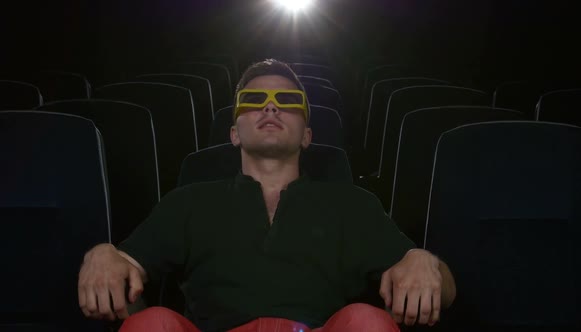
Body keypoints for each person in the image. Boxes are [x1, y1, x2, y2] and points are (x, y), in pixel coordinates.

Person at [78, 59, 456, 332]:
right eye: (254, 100)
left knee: (368, 321)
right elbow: (125, 270)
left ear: (307, 135)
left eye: (288, 102)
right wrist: (103, 255)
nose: (271, 106)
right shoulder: (187, 201)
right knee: (150, 324)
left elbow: (445, 290)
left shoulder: (354, 203)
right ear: (234, 134)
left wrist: (423, 260)